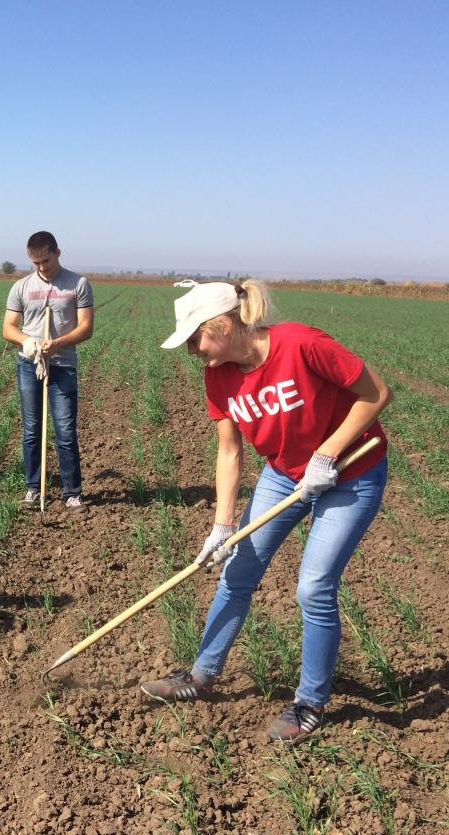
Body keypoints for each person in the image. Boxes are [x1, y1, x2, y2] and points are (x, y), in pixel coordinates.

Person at [140, 280, 390, 743]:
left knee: (313, 587)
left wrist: (328, 454)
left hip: (351, 474)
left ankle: (309, 704)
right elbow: (229, 451)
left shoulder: (300, 343)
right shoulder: (218, 373)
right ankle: (200, 675)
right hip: (283, 473)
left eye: (195, 338)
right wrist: (221, 526)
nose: (192, 349)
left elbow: (376, 393)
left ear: (224, 323)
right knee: (237, 570)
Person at [2, 231, 94, 512]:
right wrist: (27, 342)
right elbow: (8, 328)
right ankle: (33, 488)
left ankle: (72, 493)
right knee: (32, 429)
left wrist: (59, 344)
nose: (42, 267)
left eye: (46, 260)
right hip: (30, 365)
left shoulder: (77, 284)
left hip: (63, 365)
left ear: (58, 253)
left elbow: (86, 328)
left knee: (65, 431)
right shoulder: (21, 287)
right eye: (36, 263)